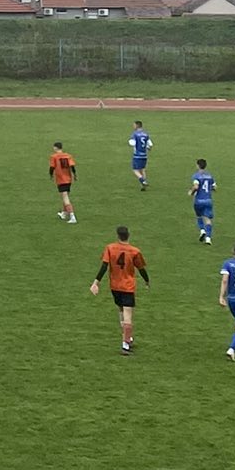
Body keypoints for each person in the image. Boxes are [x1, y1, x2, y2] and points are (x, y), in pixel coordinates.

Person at [90, 225, 150, 355]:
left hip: (115, 286)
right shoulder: (134, 251)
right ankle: (125, 345)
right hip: (127, 286)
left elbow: (104, 266)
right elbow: (141, 268)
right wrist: (147, 280)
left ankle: (128, 337)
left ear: (118, 236)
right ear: (128, 235)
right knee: (128, 314)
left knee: (121, 310)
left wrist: (96, 283)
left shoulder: (110, 248)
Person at [189, 159, 216, 244]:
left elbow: (196, 186)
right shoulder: (210, 176)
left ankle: (202, 230)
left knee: (199, 216)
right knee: (207, 219)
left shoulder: (196, 176)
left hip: (199, 200)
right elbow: (214, 187)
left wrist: (191, 192)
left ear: (198, 166)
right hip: (208, 200)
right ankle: (208, 238)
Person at [50, 141, 77, 224]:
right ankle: (64, 213)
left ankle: (72, 216)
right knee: (65, 195)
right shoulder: (68, 156)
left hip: (61, 179)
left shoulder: (54, 156)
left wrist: (51, 175)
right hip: (68, 179)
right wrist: (74, 174)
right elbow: (72, 166)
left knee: (65, 197)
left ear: (55, 147)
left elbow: (52, 167)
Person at [128, 120, 152, 190]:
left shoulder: (135, 134)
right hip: (144, 155)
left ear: (136, 126)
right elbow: (150, 145)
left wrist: (129, 141)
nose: (133, 126)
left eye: (134, 125)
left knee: (135, 170)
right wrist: (148, 148)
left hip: (137, 155)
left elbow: (132, 143)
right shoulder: (146, 134)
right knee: (142, 169)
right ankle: (143, 187)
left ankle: (143, 181)